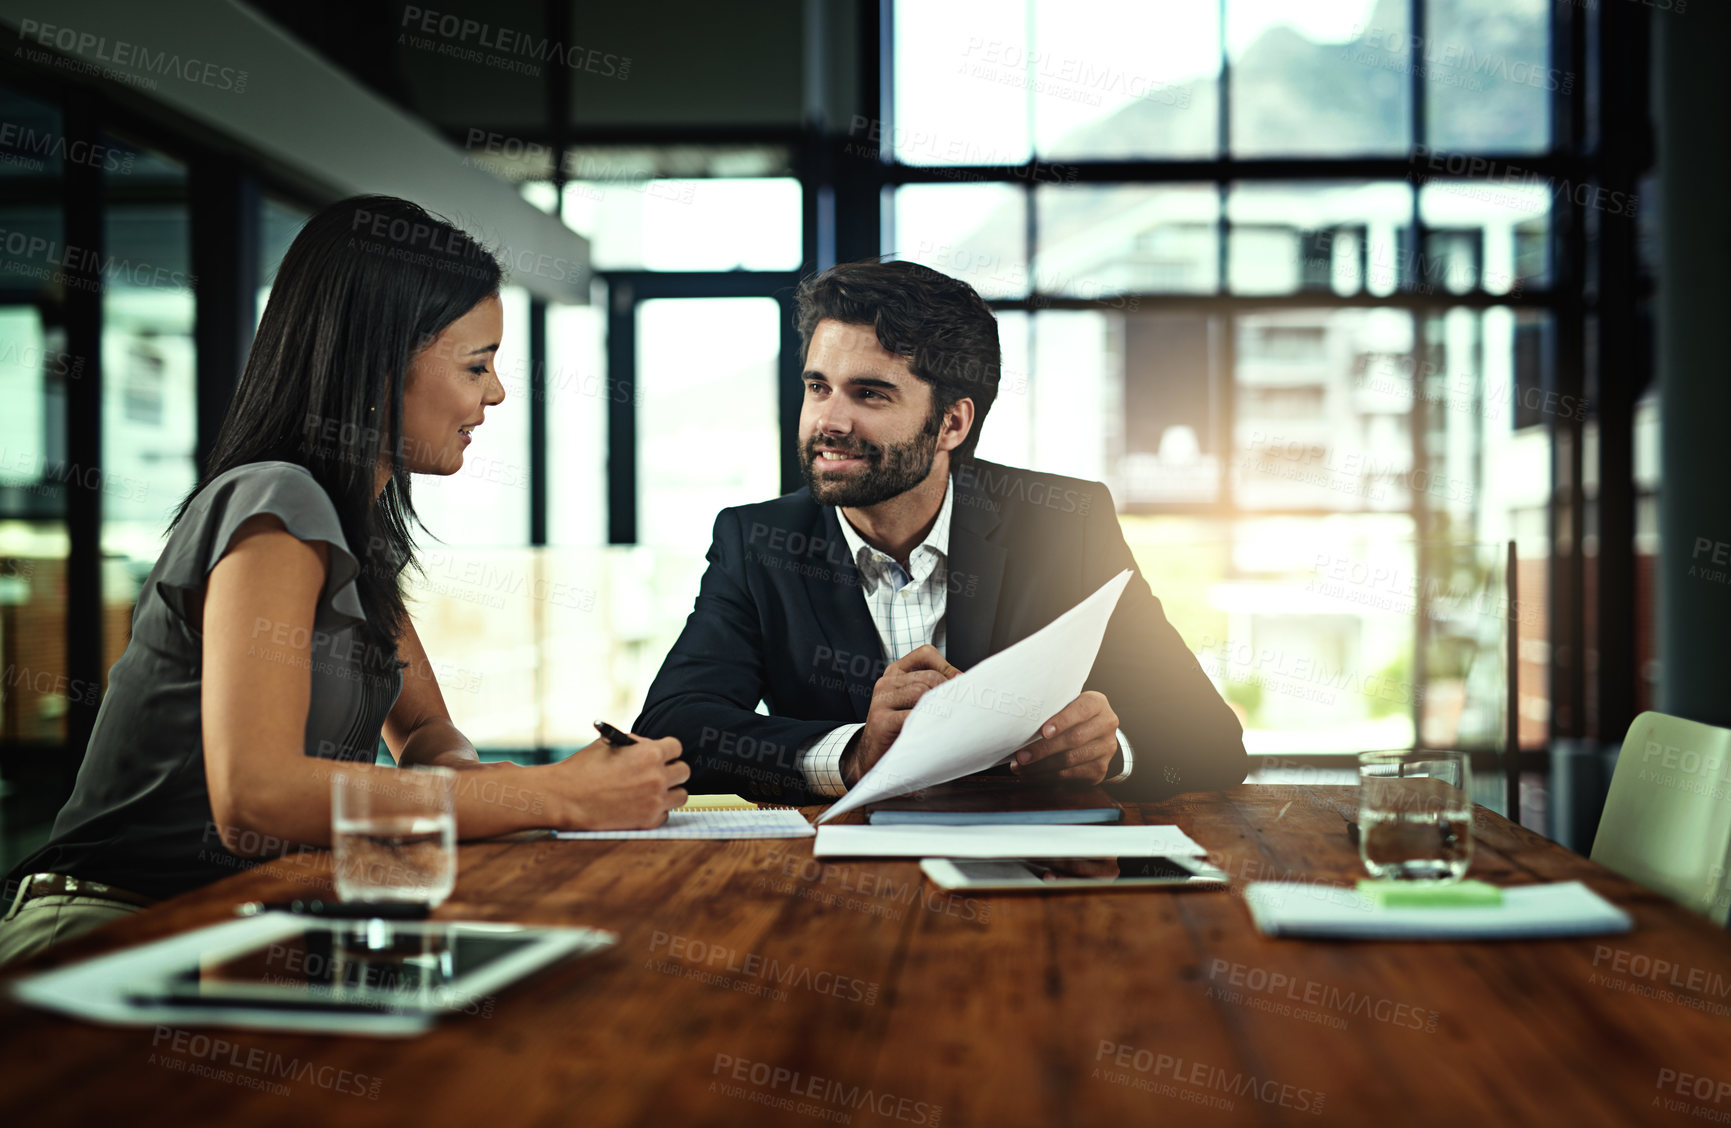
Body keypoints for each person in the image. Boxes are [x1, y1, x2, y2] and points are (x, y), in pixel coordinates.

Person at [0, 196, 686, 967]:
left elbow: (425, 732)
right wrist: (552, 795)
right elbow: (252, 796)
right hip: (107, 929)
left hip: (235, 931)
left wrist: (481, 783)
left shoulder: (357, 533)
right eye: (475, 365)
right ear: (378, 362)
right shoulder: (277, 501)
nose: (494, 394)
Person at [635, 258, 1246, 804]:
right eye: (818, 387)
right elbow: (671, 730)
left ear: (951, 422)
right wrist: (851, 754)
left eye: (869, 395)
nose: (829, 420)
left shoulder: (1065, 522)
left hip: (1034, 881)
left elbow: (1210, 739)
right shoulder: (758, 541)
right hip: (835, 888)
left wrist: (1110, 752)